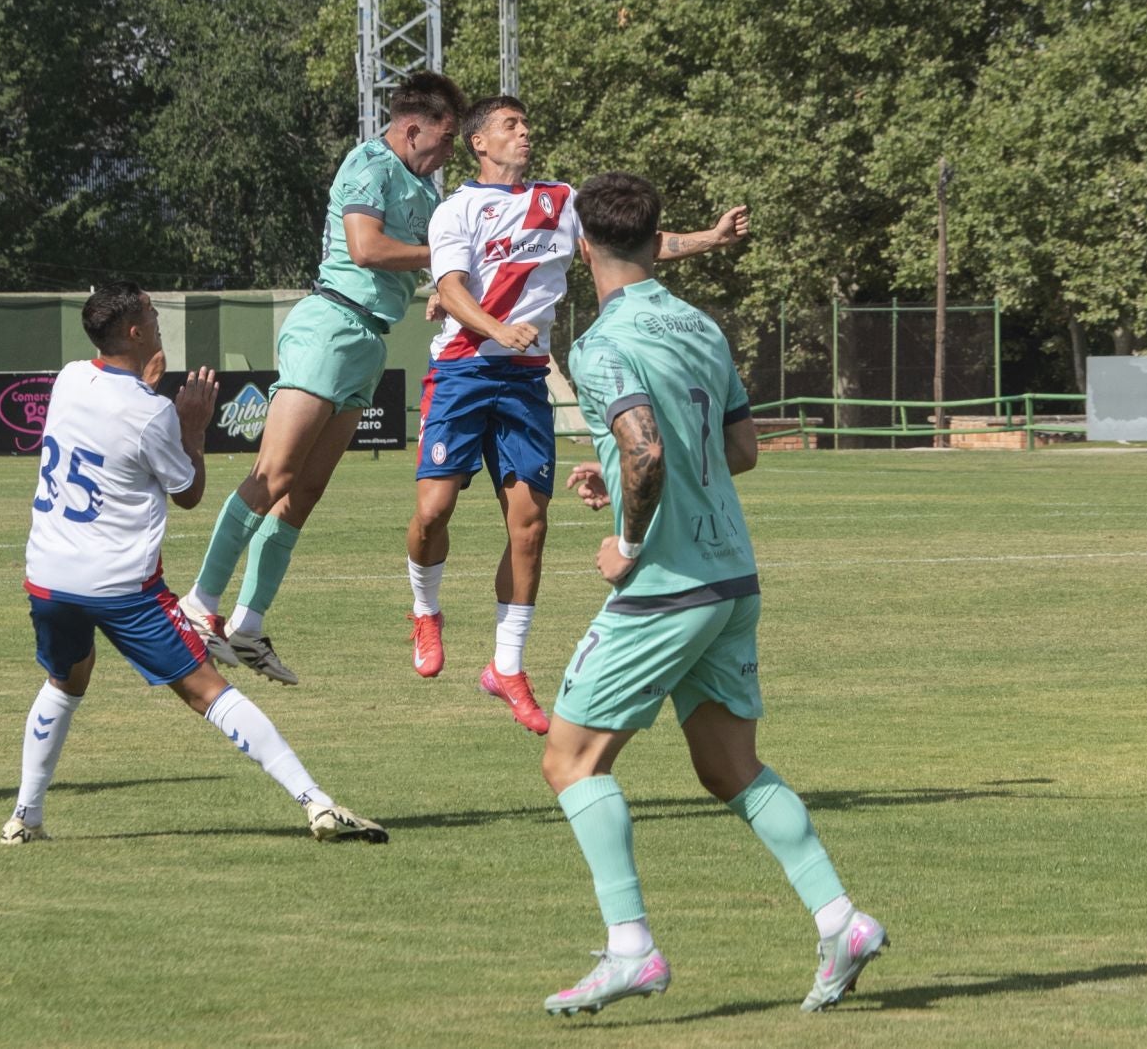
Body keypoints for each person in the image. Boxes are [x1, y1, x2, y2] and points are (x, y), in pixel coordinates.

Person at [538, 172, 884, 1016]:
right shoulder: (701, 325)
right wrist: (618, 477)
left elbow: (649, 453)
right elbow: (738, 451)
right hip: (731, 576)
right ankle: (841, 918)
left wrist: (625, 536)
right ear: (658, 241)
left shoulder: (599, 343)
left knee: (570, 759)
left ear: (585, 248)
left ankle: (632, 949)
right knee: (730, 767)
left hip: (668, 585)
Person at [403, 96, 749, 734]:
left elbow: (635, 243)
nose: (525, 131)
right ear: (479, 142)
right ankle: (425, 609)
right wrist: (494, 327)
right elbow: (448, 288)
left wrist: (712, 239)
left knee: (530, 525)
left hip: (525, 379)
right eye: (510, 124)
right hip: (461, 371)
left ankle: (507, 667)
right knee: (433, 511)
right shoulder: (455, 208)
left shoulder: (560, 201)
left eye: (526, 123)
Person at [3, 282, 385, 845]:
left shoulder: (67, 379)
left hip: (49, 576)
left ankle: (24, 817)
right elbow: (188, 492)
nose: (159, 322)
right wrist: (193, 428)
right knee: (210, 692)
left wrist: (150, 396)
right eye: (152, 315)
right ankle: (318, 804)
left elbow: (116, 414)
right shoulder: (152, 414)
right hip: (120, 587)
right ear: (134, 332)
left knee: (65, 680)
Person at [178, 71, 467, 685]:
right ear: (412, 129)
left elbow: (415, 267)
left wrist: (444, 293)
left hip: (365, 341)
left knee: (302, 493)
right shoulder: (367, 163)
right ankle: (199, 606)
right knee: (273, 473)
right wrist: (443, 256)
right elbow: (365, 249)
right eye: (444, 140)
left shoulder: (424, 190)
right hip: (331, 323)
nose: (448, 152)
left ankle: (249, 625)